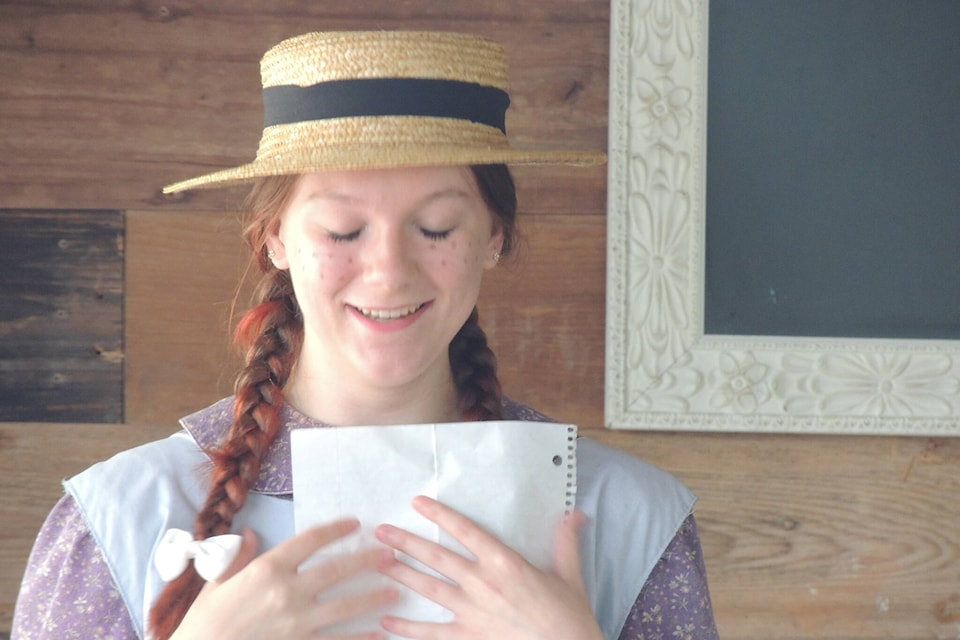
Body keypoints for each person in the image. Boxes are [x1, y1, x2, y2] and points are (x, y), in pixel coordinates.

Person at [12, 30, 719, 640]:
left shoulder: (633, 520)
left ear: (494, 236)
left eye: (436, 226)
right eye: (343, 230)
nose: (388, 273)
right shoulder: (113, 520)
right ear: (274, 241)